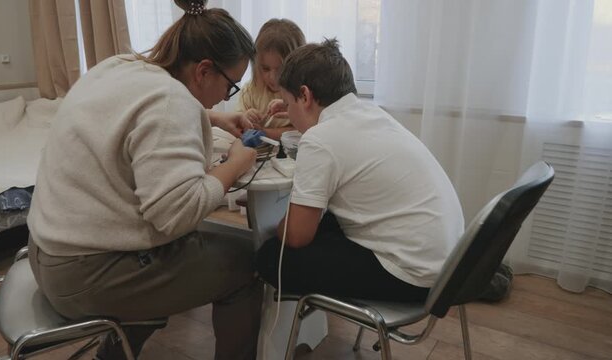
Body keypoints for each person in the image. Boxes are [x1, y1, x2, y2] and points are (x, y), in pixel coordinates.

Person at [27, 1, 262, 359]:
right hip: (84, 276)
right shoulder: (170, 102)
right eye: (230, 86)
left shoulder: (120, 67)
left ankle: (114, 352)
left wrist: (211, 117)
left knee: (182, 254)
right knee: (248, 262)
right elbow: (176, 215)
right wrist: (233, 164)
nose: (226, 97)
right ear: (203, 70)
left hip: (45, 252)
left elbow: (134, 116)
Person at [255, 39, 465, 303]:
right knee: (326, 222)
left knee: (271, 256)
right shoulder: (372, 113)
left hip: (413, 275)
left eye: (287, 104)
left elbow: (296, 237)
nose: (289, 114)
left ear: (305, 96)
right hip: (449, 264)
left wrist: (281, 224)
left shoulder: (320, 139)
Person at [236, 18, 306, 141]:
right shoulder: (250, 91)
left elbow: (303, 132)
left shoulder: (303, 95)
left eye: (280, 70)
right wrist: (244, 119)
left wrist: (264, 132)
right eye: (265, 69)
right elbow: (236, 127)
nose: (273, 78)